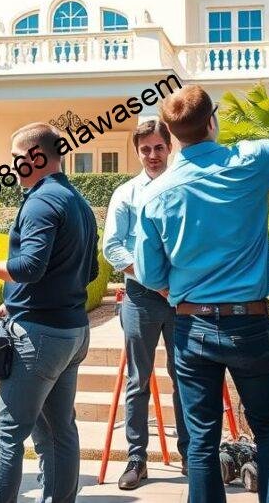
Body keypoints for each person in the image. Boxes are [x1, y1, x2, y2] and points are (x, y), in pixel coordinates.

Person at [135, 62, 269, 503]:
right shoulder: (248, 163)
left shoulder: (156, 195)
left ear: (174, 135)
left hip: (192, 327)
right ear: (212, 121)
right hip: (250, 323)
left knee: (200, 441)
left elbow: (152, 274)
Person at [0, 123, 98, 503]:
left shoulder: (42, 201)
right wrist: (16, 299)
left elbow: (29, 267)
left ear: (36, 157)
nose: (11, 168)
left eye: (15, 159)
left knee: (6, 431)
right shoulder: (76, 201)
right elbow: (89, 271)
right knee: (58, 430)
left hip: (41, 337)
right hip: (73, 332)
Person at [101, 119, 188, 489]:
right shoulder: (126, 193)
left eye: (158, 148)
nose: (152, 155)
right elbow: (113, 247)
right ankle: (137, 459)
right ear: (138, 152)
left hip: (183, 300)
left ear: (170, 148)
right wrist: (155, 280)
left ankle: (192, 455)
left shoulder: (185, 186)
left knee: (186, 379)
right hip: (140, 299)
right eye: (145, 149)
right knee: (138, 381)